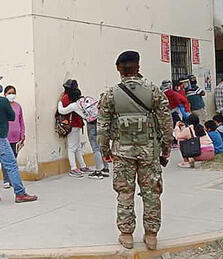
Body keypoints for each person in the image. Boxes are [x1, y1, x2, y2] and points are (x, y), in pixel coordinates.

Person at [97, 51, 172, 250]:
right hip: (149, 151)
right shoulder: (153, 90)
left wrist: (104, 149)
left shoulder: (110, 94)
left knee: (124, 193)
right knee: (151, 193)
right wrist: (166, 146)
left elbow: (102, 125)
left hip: (122, 153)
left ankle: (126, 234)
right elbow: (165, 120)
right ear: (138, 67)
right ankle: (151, 235)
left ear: (118, 69)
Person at [0, 73, 38, 204]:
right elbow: (12, 116)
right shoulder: (2, 101)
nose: (0, 86)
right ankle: (20, 193)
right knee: (11, 165)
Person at [57, 79, 90, 177]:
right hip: (76, 124)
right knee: (75, 147)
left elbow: (62, 111)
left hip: (71, 125)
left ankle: (76, 167)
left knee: (73, 147)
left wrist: (59, 102)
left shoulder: (66, 98)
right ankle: (77, 167)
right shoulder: (78, 98)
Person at [2, 85, 28, 186]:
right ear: (5, 94)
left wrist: (22, 134)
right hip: (5, 136)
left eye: (13, 93)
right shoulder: (3, 106)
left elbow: (21, 121)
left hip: (16, 137)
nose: (12, 95)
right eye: (9, 93)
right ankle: (6, 180)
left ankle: (13, 179)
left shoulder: (18, 106)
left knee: (13, 159)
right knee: (6, 159)